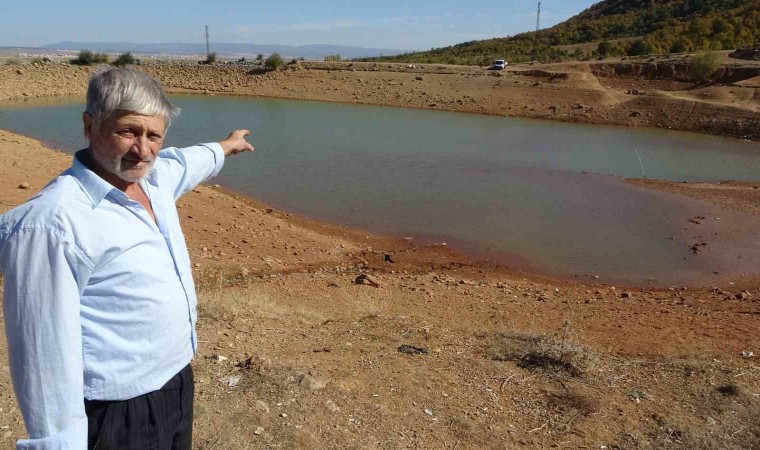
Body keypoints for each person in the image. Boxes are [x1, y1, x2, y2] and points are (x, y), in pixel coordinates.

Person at [0, 67, 254, 449]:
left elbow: (187, 161)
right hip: (117, 411)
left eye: (154, 135)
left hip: (175, 384)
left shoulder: (154, 179)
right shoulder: (52, 224)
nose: (144, 150)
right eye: (128, 132)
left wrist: (227, 145)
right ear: (90, 126)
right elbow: (43, 359)